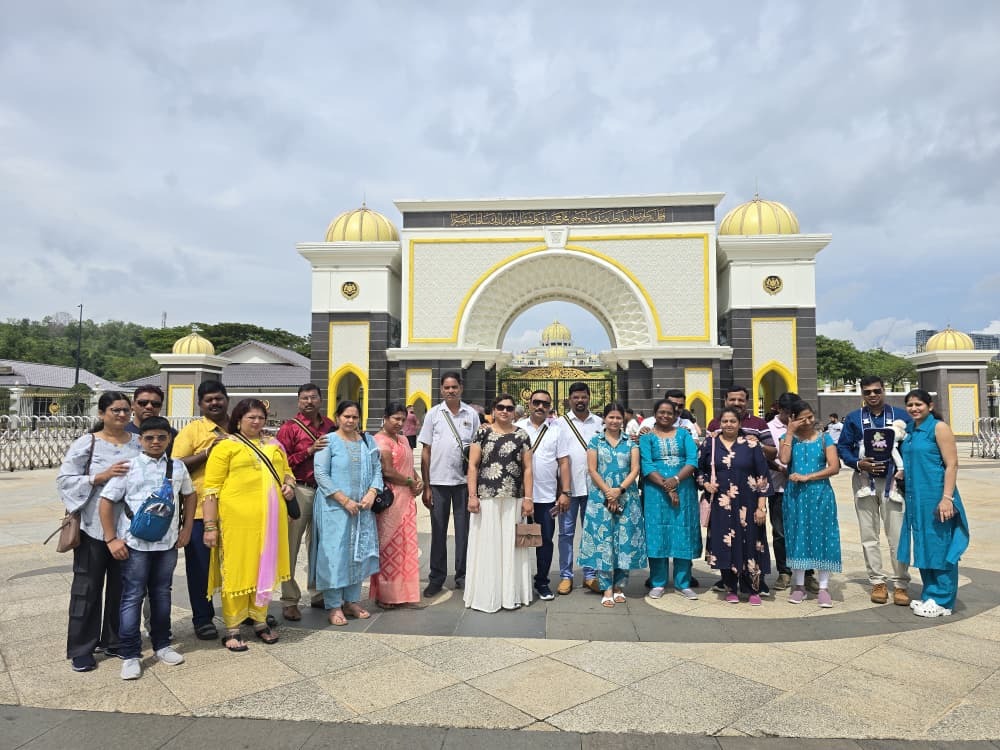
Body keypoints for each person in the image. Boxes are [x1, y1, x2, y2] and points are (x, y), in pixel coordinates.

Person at [99, 416, 196, 679]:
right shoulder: (128, 467)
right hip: (135, 544)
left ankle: (162, 644)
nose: (155, 442)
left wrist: (186, 528)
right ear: (140, 440)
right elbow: (106, 501)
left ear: (169, 439)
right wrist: (111, 539)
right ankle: (130, 653)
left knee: (162, 594)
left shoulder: (177, 467)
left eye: (161, 437)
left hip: (167, 543)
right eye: (149, 437)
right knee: (132, 596)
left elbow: (190, 494)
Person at [57, 391, 140, 672]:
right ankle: (82, 647)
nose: (122, 415)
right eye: (116, 410)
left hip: (128, 529)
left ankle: (114, 640)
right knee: (87, 588)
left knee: (122, 588)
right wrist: (99, 477)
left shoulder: (139, 442)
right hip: (92, 527)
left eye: (126, 410)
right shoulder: (87, 443)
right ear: (102, 413)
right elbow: (65, 480)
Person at [202, 399, 294, 651]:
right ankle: (232, 628)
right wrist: (210, 526)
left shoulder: (274, 445)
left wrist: (289, 485)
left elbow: (287, 472)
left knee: (264, 568)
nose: (256, 422)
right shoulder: (225, 446)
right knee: (237, 570)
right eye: (251, 417)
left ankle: (260, 621)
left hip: (270, 521)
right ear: (239, 419)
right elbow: (211, 489)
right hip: (237, 523)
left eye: (260, 417)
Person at [836, 375, 912, 606]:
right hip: (864, 481)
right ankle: (877, 581)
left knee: (897, 534)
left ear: (884, 390)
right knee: (869, 534)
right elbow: (843, 447)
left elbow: (911, 444)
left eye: (876, 391)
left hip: (893, 482)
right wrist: (858, 463)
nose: (872, 395)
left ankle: (901, 583)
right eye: (867, 392)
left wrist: (905, 469)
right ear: (862, 393)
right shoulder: (854, 418)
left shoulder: (901, 416)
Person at [898, 389, 970, 617]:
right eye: (910, 405)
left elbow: (952, 464)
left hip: (936, 495)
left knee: (940, 545)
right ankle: (930, 594)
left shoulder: (939, 428)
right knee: (923, 544)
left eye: (918, 404)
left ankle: (943, 600)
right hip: (916, 497)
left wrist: (947, 498)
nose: (914, 408)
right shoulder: (910, 430)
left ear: (930, 406)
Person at [313, 400, 384, 626]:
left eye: (354, 417)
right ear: (337, 417)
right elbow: (321, 474)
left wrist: (372, 492)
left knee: (357, 553)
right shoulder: (328, 441)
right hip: (334, 508)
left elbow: (377, 469)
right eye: (346, 416)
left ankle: (351, 601)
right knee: (335, 555)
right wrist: (344, 500)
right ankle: (334, 605)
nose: (351, 421)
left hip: (362, 509)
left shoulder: (367, 441)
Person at [172, 380, 230, 641]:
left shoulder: (240, 426)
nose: (214, 403)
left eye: (219, 398)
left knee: (238, 565)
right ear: (200, 404)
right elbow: (175, 466)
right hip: (199, 512)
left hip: (237, 510)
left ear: (227, 399)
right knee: (200, 569)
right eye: (209, 400)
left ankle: (243, 611)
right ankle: (203, 618)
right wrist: (208, 452)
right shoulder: (193, 431)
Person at [465, 393, 534, 612]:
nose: (505, 411)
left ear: (515, 412)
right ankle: (487, 595)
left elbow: (528, 469)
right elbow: (473, 465)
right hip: (487, 497)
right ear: (494, 410)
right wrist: (472, 495)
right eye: (501, 407)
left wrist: (528, 498)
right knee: (488, 544)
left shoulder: (522, 435)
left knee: (512, 546)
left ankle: (510, 594)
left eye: (509, 408)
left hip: (513, 497)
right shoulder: (482, 432)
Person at [275, 383, 336, 621]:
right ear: (298, 401)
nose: (309, 402)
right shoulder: (289, 428)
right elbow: (281, 462)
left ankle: (318, 592)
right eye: (304, 398)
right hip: (300, 490)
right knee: (291, 545)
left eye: (313, 397)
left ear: (321, 399)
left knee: (320, 545)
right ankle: (290, 599)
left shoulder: (330, 425)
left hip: (325, 492)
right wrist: (309, 451)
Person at [697, 406, 772, 604]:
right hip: (721, 505)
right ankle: (730, 587)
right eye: (725, 421)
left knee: (751, 544)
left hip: (748, 503)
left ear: (739, 424)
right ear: (719, 423)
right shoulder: (710, 443)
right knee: (725, 544)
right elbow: (699, 470)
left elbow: (763, 476)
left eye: (733, 421)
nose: (728, 424)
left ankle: (753, 589)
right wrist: (706, 483)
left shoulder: (751, 444)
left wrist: (761, 507)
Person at [418, 372, 480, 596]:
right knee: (438, 532)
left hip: (463, 483)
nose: (451, 391)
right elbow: (426, 451)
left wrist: (475, 489)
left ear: (461, 388)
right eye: (447, 387)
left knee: (464, 532)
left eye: (454, 387)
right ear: (441, 390)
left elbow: (477, 450)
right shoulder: (433, 414)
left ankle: (463, 576)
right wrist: (427, 486)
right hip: (438, 482)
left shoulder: (471, 414)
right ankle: (436, 578)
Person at [579, 401, 646, 607]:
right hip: (601, 498)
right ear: (604, 419)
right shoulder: (595, 441)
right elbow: (592, 469)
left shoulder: (631, 443)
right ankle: (606, 587)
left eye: (618, 417)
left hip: (626, 497)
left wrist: (619, 490)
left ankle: (619, 586)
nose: (615, 421)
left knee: (623, 542)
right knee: (604, 541)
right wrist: (609, 492)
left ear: (623, 419)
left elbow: (635, 470)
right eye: (611, 417)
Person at [777, 401, 842, 607]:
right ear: (792, 419)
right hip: (795, 496)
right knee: (797, 536)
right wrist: (789, 432)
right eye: (801, 418)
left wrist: (808, 477)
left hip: (820, 494)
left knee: (824, 536)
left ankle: (823, 587)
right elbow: (784, 459)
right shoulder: (787, 438)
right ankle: (799, 586)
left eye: (810, 417)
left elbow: (834, 467)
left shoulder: (824, 438)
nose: (807, 422)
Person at [640, 399, 701, 600]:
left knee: (683, 532)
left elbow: (692, 460)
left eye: (669, 413)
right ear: (655, 414)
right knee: (657, 532)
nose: (665, 416)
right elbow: (647, 465)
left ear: (675, 415)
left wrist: (675, 480)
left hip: (684, 488)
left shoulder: (684, 434)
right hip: (655, 491)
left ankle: (683, 582)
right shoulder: (647, 437)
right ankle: (658, 582)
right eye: (661, 412)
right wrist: (667, 487)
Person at [515, 389, 572, 601]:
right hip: (519, 496)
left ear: (550, 407)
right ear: (529, 404)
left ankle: (542, 581)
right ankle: (517, 582)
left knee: (545, 541)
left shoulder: (557, 430)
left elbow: (564, 462)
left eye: (545, 404)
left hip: (546, 496)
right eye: (536, 402)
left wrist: (565, 492)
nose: (540, 406)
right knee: (517, 540)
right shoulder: (517, 427)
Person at [371, 402, 424, 609]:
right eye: (395, 418)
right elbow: (388, 471)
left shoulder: (402, 439)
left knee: (405, 547)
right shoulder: (380, 440)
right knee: (389, 547)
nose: (399, 423)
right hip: (391, 500)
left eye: (402, 419)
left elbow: (409, 465)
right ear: (385, 418)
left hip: (407, 499)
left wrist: (417, 480)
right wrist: (410, 482)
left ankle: (404, 593)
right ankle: (386, 595)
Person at [765, 392, 816, 593]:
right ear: (780, 410)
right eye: (788, 412)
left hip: (803, 489)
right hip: (779, 487)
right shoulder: (769, 428)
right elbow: (766, 456)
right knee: (780, 532)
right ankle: (784, 571)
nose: (792, 417)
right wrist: (780, 469)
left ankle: (808, 573)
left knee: (805, 530)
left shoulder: (806, 428)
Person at [557, 381, 603, 594]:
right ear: (569, 399)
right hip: (568, 489)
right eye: (576, 397)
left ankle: (590, 575)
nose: (580, 400)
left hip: (594, 488)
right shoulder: (559, 424)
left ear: (589, 398)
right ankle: (566, 576)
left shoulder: (600, 423)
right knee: (566, 534)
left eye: (583, 396)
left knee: (591, 533)